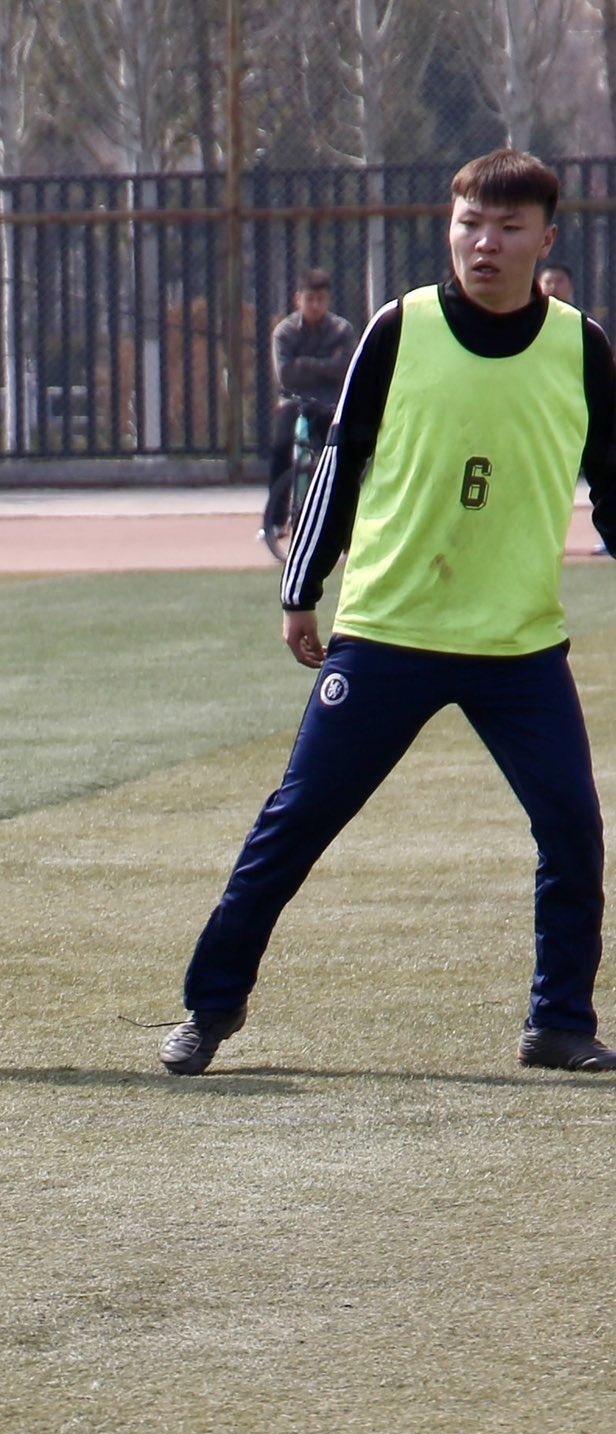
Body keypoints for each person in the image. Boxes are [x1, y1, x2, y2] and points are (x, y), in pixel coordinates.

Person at [168, 151, 616, 1078]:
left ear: (546, 241)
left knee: (573, 829)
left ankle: (560, 1022)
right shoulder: (399, 327)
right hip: (385, 634)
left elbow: (615, 486)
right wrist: (301, 586)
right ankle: (210, 1007)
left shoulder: (583, 347)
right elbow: (339, 462)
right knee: (294, 823)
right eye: (468, 224)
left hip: (518, 646)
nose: (483, 244)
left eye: (507, 228)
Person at [263, 271, 357, 559]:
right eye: (310, 299)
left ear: (328, 300)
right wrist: (325, 365)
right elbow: (286, 375)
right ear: (298, 300)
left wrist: (304, 363)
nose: (315, 305)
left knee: (341, 458)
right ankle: (276, 521)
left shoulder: (341, 330)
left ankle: (346, 529)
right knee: (281, 449)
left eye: (321, 299)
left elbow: (345, 368)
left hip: (330, 404)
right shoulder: (284, 332)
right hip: (293, 401)